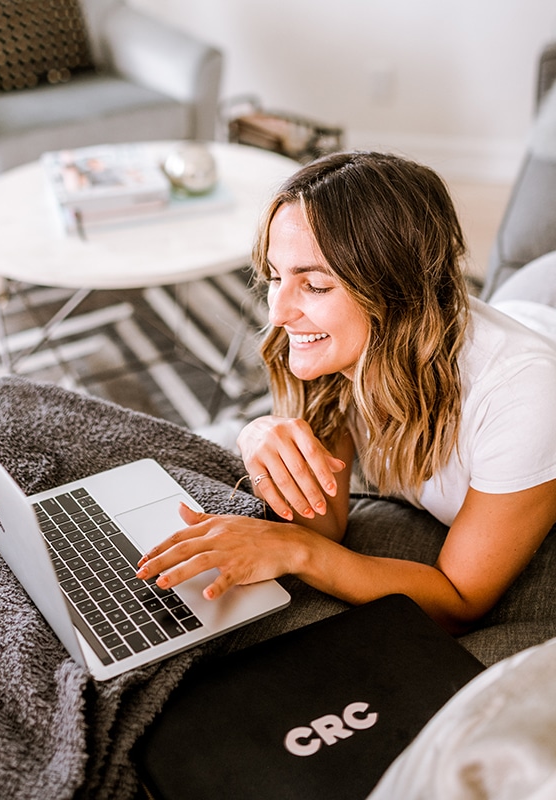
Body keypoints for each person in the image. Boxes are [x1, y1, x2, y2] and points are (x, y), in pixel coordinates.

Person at [136, 151, 556, 635]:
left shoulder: (524, 401)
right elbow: (324, 518)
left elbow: (459, 601)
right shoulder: (329, 346)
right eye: (276, 277)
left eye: (313, 285)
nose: (277, 314)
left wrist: (295, 551)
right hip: (523, 303)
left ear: (395, 291)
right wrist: (260, 435)